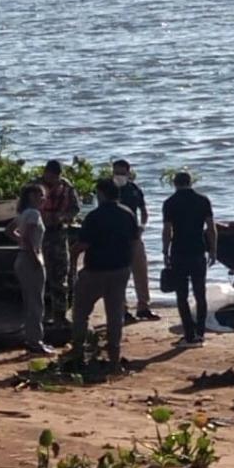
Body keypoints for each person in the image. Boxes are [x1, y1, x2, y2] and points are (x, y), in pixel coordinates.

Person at [69, 178, 139, 371]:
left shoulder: (95, 216)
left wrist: (72, 259)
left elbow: (83, 245)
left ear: (101, 194)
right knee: (115, 313)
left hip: (95, 270)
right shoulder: (128, 214)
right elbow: (134, 242)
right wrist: (128, 264)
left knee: (81, 312)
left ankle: (78, 352)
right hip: (120, 269)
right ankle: (114, 356)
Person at [162, 172, 217, 347]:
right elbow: (211, 228)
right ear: (190, 182)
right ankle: (200, 333)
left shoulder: (170, 203)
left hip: (179, 251)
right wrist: (214, 250)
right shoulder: (203, 200)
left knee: (182, 295)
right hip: (198, 250)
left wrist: (165, 250)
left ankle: (189, 334)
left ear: (175, 184)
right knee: (200, 293)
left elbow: (167, 230)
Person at [6, 184, 55, 355]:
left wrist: (20, 242)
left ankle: (31, 338)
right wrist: (35, 258)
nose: (43, 198)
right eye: (40, 195)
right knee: (36, 302)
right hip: (29, 259)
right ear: (32, 197)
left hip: (22, 258)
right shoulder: (33, 214)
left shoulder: (23, 213)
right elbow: (28, 238)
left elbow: (10, 230)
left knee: (30, 301)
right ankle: (35, 341)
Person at [113, 159, 159, 322]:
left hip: (134, 235)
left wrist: (142, 226)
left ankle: (143, 307)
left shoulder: (134, 189)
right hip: (115, 238)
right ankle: (122, 309)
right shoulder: (109, 189)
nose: (119, 176)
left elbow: (144, 211)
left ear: (128, 172)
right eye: (116, 172)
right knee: (119, 274)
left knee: (141, 271)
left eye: (122, 172)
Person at [35, 159, 80, 326]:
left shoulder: (66, 187)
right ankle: (40, 314)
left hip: (58, 234)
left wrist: (61, 217)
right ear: (45, 172)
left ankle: (60, 314)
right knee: (38, 275)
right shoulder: (34, 186)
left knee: (60, 275)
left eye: (56, 176)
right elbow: (23, 208)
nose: (53, 179)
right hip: (37, 234)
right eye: (50, 175)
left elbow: (75, 208)